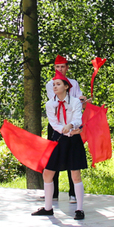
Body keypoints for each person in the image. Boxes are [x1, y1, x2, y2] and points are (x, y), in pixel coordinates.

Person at [33, 71, 88, 220]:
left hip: (73, 139)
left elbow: (77, 118)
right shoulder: (50, 104)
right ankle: (48, 207)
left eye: (58, 84)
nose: (54, 87)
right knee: (48, 173)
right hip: (59, 138)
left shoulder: (75, 102)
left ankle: (79, 209)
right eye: (54, 84)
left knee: (75, 174)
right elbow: (54, 123)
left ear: (66, 86)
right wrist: (67, 130)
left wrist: (71, 125)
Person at [44, 55, 88, 203]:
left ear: (67, 68)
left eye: (63, 66)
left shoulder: (74, 83)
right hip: (57, 125)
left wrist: (83, 100)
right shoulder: (50, 84)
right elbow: (58, 101)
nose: (60, 69)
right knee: (53, 158)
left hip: (73, 125)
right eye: (57, 67)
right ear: (54, 68)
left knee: (73, 160)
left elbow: (76, 101)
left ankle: (73, 193)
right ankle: (53, 193)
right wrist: (75, 103)